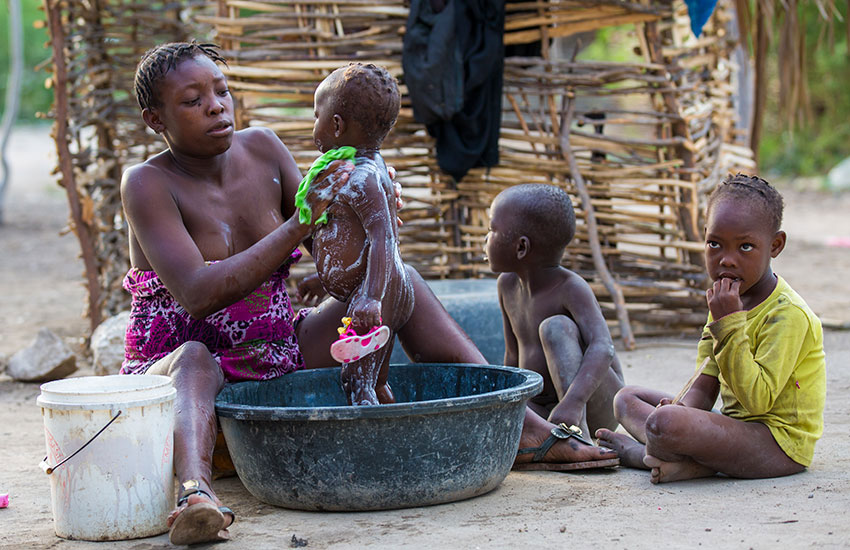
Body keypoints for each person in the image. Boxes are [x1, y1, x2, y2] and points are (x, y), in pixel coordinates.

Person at [120, 41, 617, 545]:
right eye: (192, 100)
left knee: (404, 281)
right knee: (196, 357)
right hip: (182, 376)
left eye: (222, 91)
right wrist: (298, 224)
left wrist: (369, 209)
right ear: (154, 119)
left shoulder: (263, 150)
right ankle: (195, 495)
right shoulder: (147, 184)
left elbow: (326, 235)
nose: (216, 105)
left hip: (276, 354)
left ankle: (524, 430)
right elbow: (199, 293)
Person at [595, 173, 825, 484]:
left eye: (745, 247)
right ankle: (682, 460)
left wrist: (728, 323)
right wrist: (684, 409)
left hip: (777, 445)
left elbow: (757, 401)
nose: (727, 260)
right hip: (732, 430)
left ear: (775, 245)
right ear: (704, 237)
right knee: (626, 399)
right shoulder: (724, 300)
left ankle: (641, 455)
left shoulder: (788, 315)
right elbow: (705, 383)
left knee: (664, 424)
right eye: (715, 244)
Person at [485, 184, 622, 470]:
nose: (485, 239)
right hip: (548, 407)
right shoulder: (507, 286)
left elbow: (603, 347)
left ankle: (579, 440)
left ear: (521, 247)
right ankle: (552, 441)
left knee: (555, 327)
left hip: (593, 403)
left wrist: (574, 402)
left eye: (491, 230)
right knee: (492, 421)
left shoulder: (570, 288)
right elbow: (513, 359)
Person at [297, 62, 412, 405]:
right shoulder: (359, 171)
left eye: (316, 116)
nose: (313, 125)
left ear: (335, 125)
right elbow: (348, 235)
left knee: (356, 381)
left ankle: (370, 450)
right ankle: (393, 432)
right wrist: (326, 277)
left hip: (378, 297)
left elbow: (383, 239)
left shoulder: (363, 178)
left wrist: (371, 296)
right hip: (379, 290)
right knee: (376, 381)